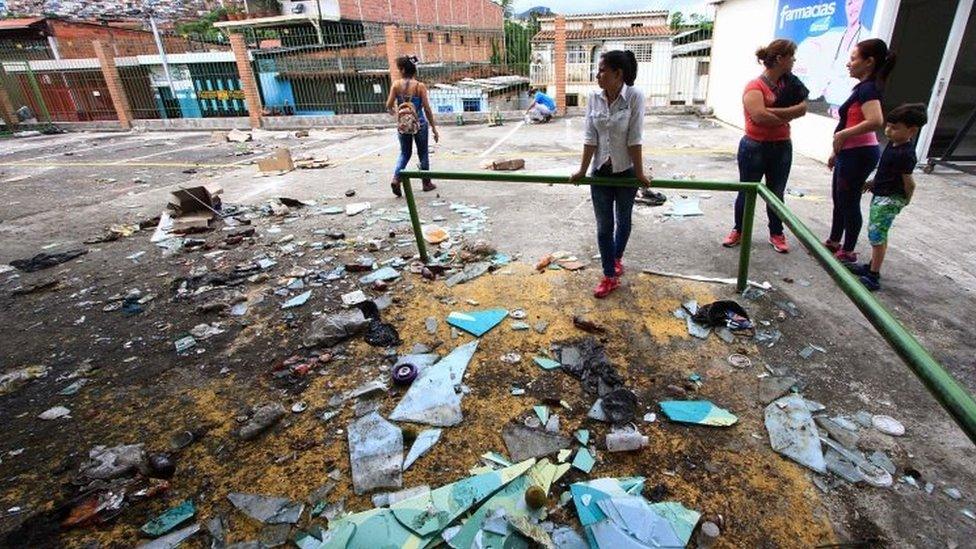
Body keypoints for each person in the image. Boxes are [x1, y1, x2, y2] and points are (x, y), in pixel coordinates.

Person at [569, 50, 651, 298]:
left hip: (626, 173)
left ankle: (616, 258)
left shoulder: (635, 97)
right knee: (604, 227)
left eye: (603, 70)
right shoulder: (594, 97)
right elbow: (589, 136)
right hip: (600, 174)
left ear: (618, 74)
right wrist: (582, 171)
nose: (598, 75)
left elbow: (634, 138)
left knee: (623, 221)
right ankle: (609, 275)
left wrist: (640, 173)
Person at [722, 39, 808, 253]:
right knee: (746, 190)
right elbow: (759, 117)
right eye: (792, 57)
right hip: (754, 146)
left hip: (781, 146)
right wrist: (788, 112)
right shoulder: (755, 86)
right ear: (780, 58)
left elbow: (803, 109)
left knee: (777, 193)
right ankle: (739, 229)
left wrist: (774, 112)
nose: (794, 61)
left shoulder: (791, 83)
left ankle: (776, 233)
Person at [825, 38, 895, 263]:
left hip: (859, 154)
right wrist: (836, 151)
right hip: (848, 152)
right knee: (839, 198)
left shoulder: (868, 89)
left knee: (849, 201)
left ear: (869, 62)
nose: (849, 64)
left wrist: (843, 135)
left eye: (853, 59)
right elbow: (849, 122)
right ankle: (834, 241)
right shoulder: (862, 88)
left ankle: (848, 250)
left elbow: (876, 120)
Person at [847, 103, 927, 291]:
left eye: (895, 128)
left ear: (912, 130)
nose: (889, 131)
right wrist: (873, 183)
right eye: (888, 126)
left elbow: (909, 182)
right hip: (881, 193)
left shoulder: (906, 154)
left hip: (890, 198)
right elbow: (887, 171)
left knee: (876, 235)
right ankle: (872, 265)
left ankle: (873, 275)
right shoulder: (893, 145)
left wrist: (905, 199)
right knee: (878, 233)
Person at [386, 55, 438, 197]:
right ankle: (426, 183)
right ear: (413, 70)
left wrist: (398, 114)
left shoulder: (396, 85)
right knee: (423, 153)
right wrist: (433, 128)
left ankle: (396, 178)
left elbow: (388, 106)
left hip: (403, 126)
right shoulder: (419, 86)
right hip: (419, 123)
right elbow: (427, 109)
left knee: (405, 153)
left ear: (402, 70)